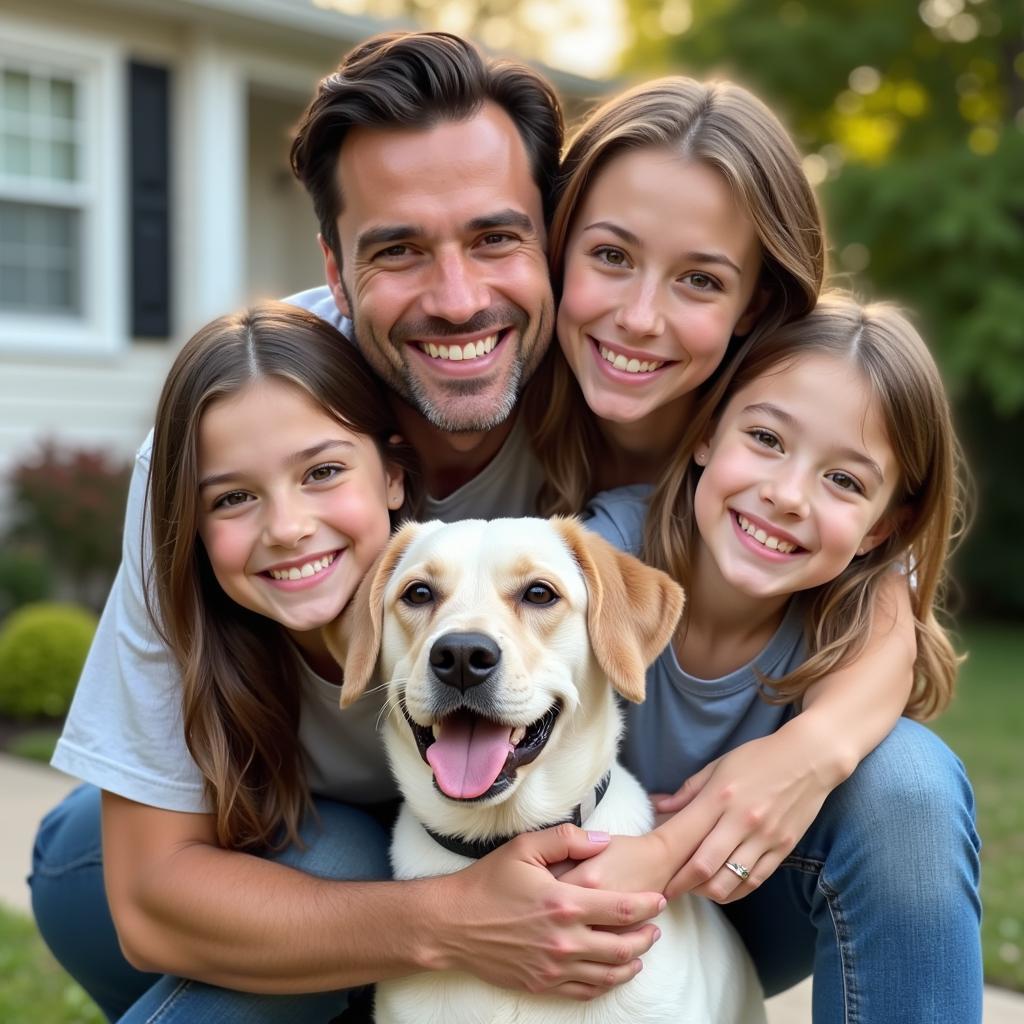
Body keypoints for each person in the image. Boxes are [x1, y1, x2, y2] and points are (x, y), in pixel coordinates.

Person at [30, 34, 666, 1023]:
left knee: (903, 791)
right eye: (398, 248)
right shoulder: (233, 430)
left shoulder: (629, 381)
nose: (458, 299)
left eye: (495, 237)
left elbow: (861, 500)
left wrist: (818, 742)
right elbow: (149, 895)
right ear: (332, 262)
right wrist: (446, 920)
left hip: (515, 820)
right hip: (243, 840)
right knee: (334, 857)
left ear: (555, 241)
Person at [528, 81, 982, 1021]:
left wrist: (808, 751)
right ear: (711, 434)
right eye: (611, 255)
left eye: (699, 276)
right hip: (556, 890)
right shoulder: (603, 542)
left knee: (908, 784)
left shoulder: (848, 596)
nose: (784, 493)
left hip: (746, 895)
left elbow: (879, 590)